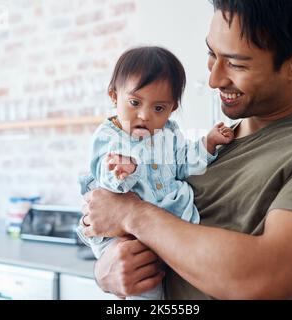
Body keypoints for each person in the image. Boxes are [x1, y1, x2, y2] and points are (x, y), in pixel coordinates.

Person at [79, 0, 292, 299]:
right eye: (212, 54)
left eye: (236, 63)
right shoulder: (209, 143)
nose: (213, 79)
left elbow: (266, 277)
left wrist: (132, 214)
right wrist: (107, 269)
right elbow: (109, 221)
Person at [77, 46, 234, 300]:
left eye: (158, 108)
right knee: (144, 282)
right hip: (122, 233)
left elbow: (184, 163)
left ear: (172, 109)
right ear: (114, 96)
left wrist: (208, 143)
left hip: (165, 220)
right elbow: (102, 177)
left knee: (171, 274)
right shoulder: (110, 136)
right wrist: (120, 172)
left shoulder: (170, 134)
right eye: (135, 103)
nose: (144, 115)